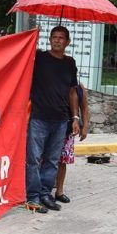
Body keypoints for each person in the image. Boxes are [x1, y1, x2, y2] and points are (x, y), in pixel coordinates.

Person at [25, 26, 80, 214]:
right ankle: (32, 197)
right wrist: (33, 34)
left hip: (61, 120)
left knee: (52, 160)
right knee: (33, 159)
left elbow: (73, 92)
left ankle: (46, 194)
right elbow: (23, 54)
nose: (57, 40)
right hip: (39, 117)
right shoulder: (39, 59)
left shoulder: (70, 63)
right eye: (54, 37)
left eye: (61, 38)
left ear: (68, 42)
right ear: (49, 39)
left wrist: (75, 117)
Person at [55, 82, 89, 203]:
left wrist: (85, 126)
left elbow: (84, 107)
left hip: (68, 129)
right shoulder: (57, 83)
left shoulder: (80, 88)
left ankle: (59, 191)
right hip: (53, 126)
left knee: (63, 161)